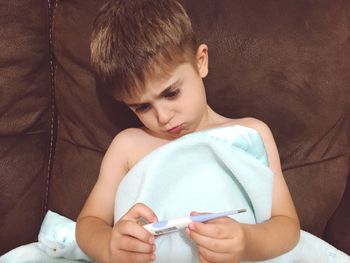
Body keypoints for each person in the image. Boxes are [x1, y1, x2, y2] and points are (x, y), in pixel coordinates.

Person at [76, 0, 300, 262]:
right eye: (142, 107)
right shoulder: (127, 146)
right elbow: (89, 221)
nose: (163, 117)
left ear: (200, 61)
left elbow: (287, 225)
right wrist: (109, 247)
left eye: (171, 93)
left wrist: (247, 241)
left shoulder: (249, 135)